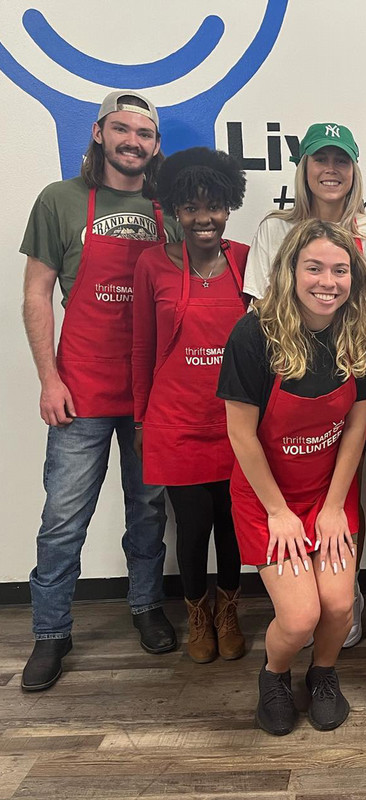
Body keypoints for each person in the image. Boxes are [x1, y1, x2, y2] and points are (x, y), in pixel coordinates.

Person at [20, 91, 182, 692]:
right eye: (122, 129)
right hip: (80, 391)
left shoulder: (168, 209)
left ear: (155, 145)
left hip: (149, 395)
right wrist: (48, 378)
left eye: (144, 133)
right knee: (63, 518)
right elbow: (37, 294)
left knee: (146, 511)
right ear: (98, 133)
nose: (133, 141)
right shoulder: (60, 201)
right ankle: (50, 631)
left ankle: (145, 605)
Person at [219, 219, 366, 735]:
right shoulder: (254, 333)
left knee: (338, 605)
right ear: (290, 270)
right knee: (298, 617)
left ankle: (324, 674)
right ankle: (274, 675)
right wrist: (278, 513)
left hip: (327, 492)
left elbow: (357, 427)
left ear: (354, 277)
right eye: (313, 268)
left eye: (339, 270)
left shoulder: (362, 331)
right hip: (267, 497)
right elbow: (242, 435)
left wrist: (334, 506)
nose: (326, 281)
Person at [244, 122, 366, 647]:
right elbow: (261, 312)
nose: (330, 170)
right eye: (320, 160)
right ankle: (303, 604)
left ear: (355, 171)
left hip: (348, 381)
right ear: (304, 168)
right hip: (285, 383)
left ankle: (344, 595)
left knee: (341, 486)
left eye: (341, 161)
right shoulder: (274, 228)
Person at [132, 147, 249, 663]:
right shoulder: (152, 263)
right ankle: (198, 614)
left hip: (238, 422)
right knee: (193, 525)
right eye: (191, 207)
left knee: (232, 523)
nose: (204, 218)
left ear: (229, 206)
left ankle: (229, 610)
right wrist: (140, 418)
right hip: (175, 421)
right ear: (174, 209)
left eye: (215, 205)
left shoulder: (247, 260)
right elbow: (140, 347)